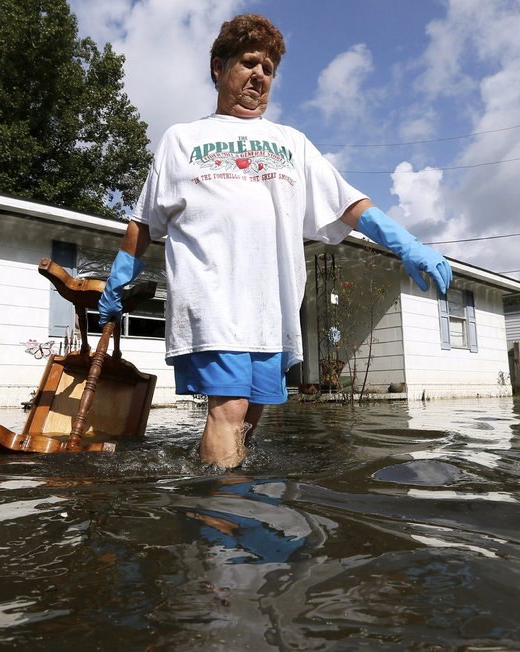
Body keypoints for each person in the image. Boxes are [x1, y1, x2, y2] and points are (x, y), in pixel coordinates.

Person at [99, 14, 451, 469]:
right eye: (249, 62)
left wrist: (407, 243)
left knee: (251, 416)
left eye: (269, 68)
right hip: (212, 299)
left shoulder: (291, 143)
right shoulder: (182, 140)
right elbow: (143, 221)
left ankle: (220, 488)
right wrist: (117, 279)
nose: (259, 75)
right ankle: (221, 531)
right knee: (229, 409)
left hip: (273, 309)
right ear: (218, 67)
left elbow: (348, 203)